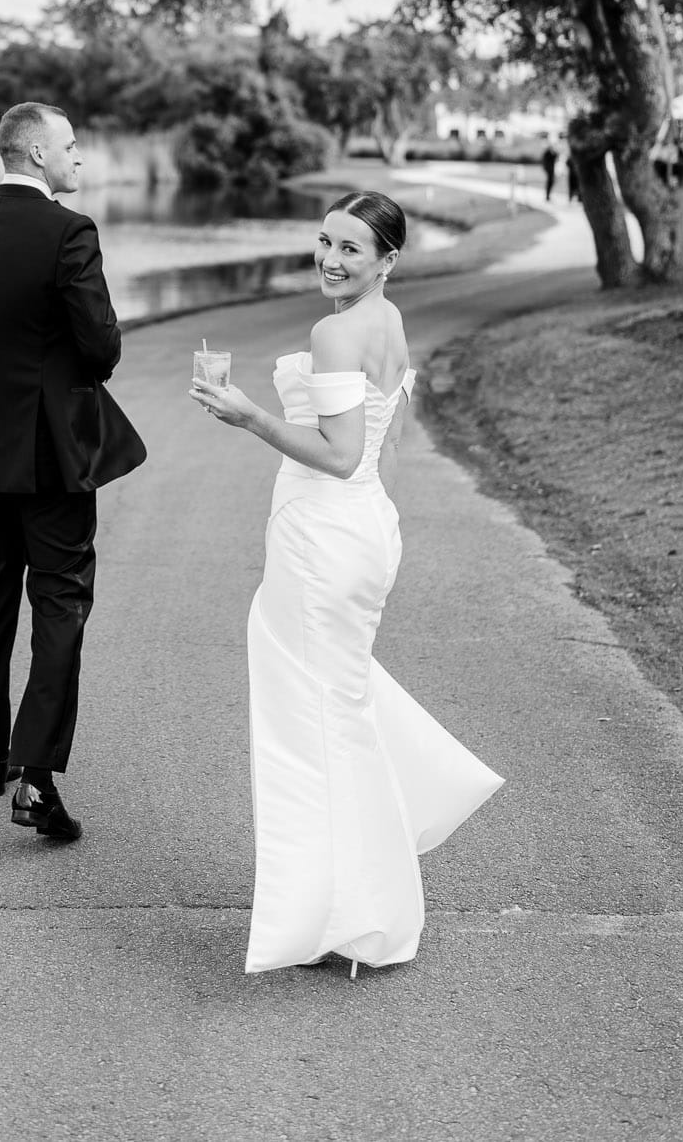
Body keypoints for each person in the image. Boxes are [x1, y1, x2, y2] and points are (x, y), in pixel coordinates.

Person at [190, 191, 502, 974]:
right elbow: (383, 448)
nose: (330, 258)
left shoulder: (336, 332)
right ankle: (350, 907)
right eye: (325, 240)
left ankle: (347, 915)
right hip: (362, 529)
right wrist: (377, 524)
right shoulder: (391, 323)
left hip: (321, 537)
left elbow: (334, 452)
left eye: (351, 250)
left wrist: (247, 415)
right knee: (340, 709)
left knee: (311, 726)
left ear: (388, 259)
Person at [0, 101, 146, 843]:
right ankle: (37, 778)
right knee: (59, 601)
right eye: (71, 148)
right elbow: (100, 347)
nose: (79, 159)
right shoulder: (69, 232)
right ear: (37, 155)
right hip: (51, 453)